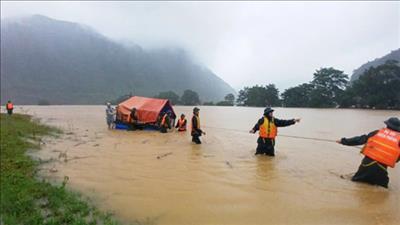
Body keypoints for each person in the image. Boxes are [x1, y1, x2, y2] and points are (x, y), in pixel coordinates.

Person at [336, 117, 400, 188]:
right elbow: (397, 159)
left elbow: (359, 140)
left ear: (387, 125)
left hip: (365, 166)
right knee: (383, 190)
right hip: (381, 170)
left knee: (356, 183)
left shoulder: (376, 133)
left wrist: (343, 141)